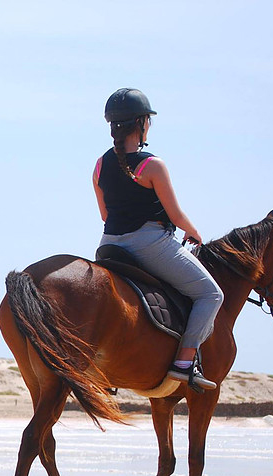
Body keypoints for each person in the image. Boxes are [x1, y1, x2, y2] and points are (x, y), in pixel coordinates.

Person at [93, 88, 224, 390]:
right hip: (149, 245)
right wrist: (194, 232)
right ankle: (184, 362)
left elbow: (104, 214)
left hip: (109, 245)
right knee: (211, 295)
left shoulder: (99, 166)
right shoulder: (152, 165)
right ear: (141, 123)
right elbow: (175, 216)